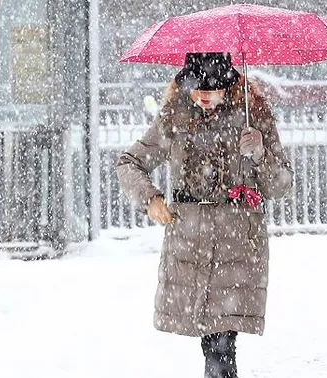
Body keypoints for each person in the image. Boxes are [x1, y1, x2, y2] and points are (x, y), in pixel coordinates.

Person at [116, 52, 294, 378]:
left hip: (237, 242)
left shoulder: (252, 117)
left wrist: (259, 153)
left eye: (212, 88)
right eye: (197, 89)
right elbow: (129, 163)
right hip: (189, 242)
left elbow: (280, 185)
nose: (204, 95)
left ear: (229, 86)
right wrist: (151, 199)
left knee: (221, 341)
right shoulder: (174, 119)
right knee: (211, 339)